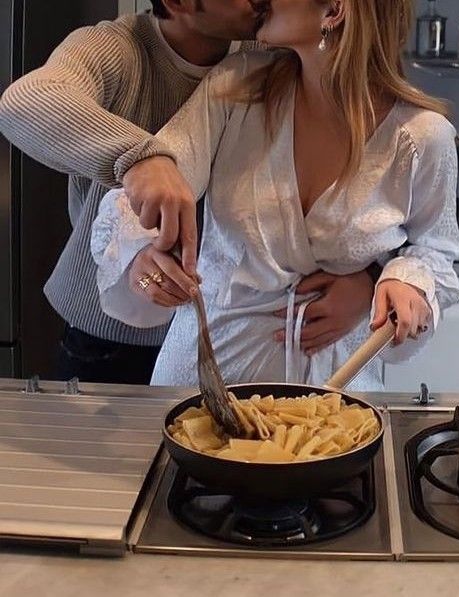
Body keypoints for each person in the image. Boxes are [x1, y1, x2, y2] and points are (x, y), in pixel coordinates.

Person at [91, 0, 459, 391]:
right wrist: (138, 254)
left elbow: (435, 252)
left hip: (334, 399)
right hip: (204, 386)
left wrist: (403, 282)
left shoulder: (422, 138)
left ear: (333, 10)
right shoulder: (235, 87)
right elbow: (151, 186)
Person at [0, 0, 374, 384]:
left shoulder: (262, 52)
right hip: (111, 337)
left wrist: (371, 280)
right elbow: (26, 100)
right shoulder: (117, 49)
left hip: (216, 334)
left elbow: (371, 183)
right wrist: (141, 159)